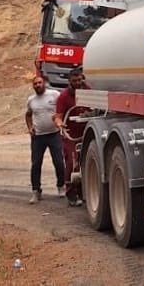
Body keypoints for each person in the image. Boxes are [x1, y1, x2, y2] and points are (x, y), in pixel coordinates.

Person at [25, 75, 65, 203]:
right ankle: (36, 191)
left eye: (39, 82)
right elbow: (28, 114)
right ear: (33, 86)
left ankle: (61, 186)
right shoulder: (31, 100)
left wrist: (61, 121)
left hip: (54, 134)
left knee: (58, 161)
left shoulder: (54, 94)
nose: (38, 85)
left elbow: (62, 108)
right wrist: (30, 127)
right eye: (35, 84)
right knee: (36, 164)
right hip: (38, 137)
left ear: (44, 83)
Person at [53, 66, 89, 207]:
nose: (78, 82)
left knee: (84, 163)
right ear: (69, 81)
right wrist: (60, 124)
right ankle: (70, 192)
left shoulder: (88, 91)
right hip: (70, 136)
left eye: (80, 79)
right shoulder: (64, 96)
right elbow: (58, 116)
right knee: (71, 164)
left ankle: (82, 191)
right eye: (75, 80)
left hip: (85, 133)